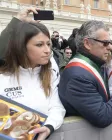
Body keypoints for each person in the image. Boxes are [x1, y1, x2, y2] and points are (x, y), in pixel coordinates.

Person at [58, 21, 112, 128]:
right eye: (105, 43)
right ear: (87, 43)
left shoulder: (95, 65)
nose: (110, 47)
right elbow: (103, 116)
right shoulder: (78, 76)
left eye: (110, 42)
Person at [0, 7, 65, 140]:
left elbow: (57, 107)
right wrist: (17, 21)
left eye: (48, 44)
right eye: (39, 45)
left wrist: (49, 127)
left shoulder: (50, 74)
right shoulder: (3, 76)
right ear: (22, 47)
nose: (47, 50)